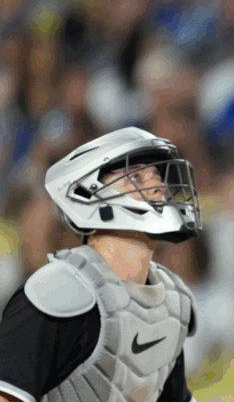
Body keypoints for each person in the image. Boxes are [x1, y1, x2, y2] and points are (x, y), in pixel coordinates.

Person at [0, 127, 203, 402]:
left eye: (157, 177)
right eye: (137, 177)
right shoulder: (55, 294)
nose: (159, 187)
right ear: (89, 196)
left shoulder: (173, 302)